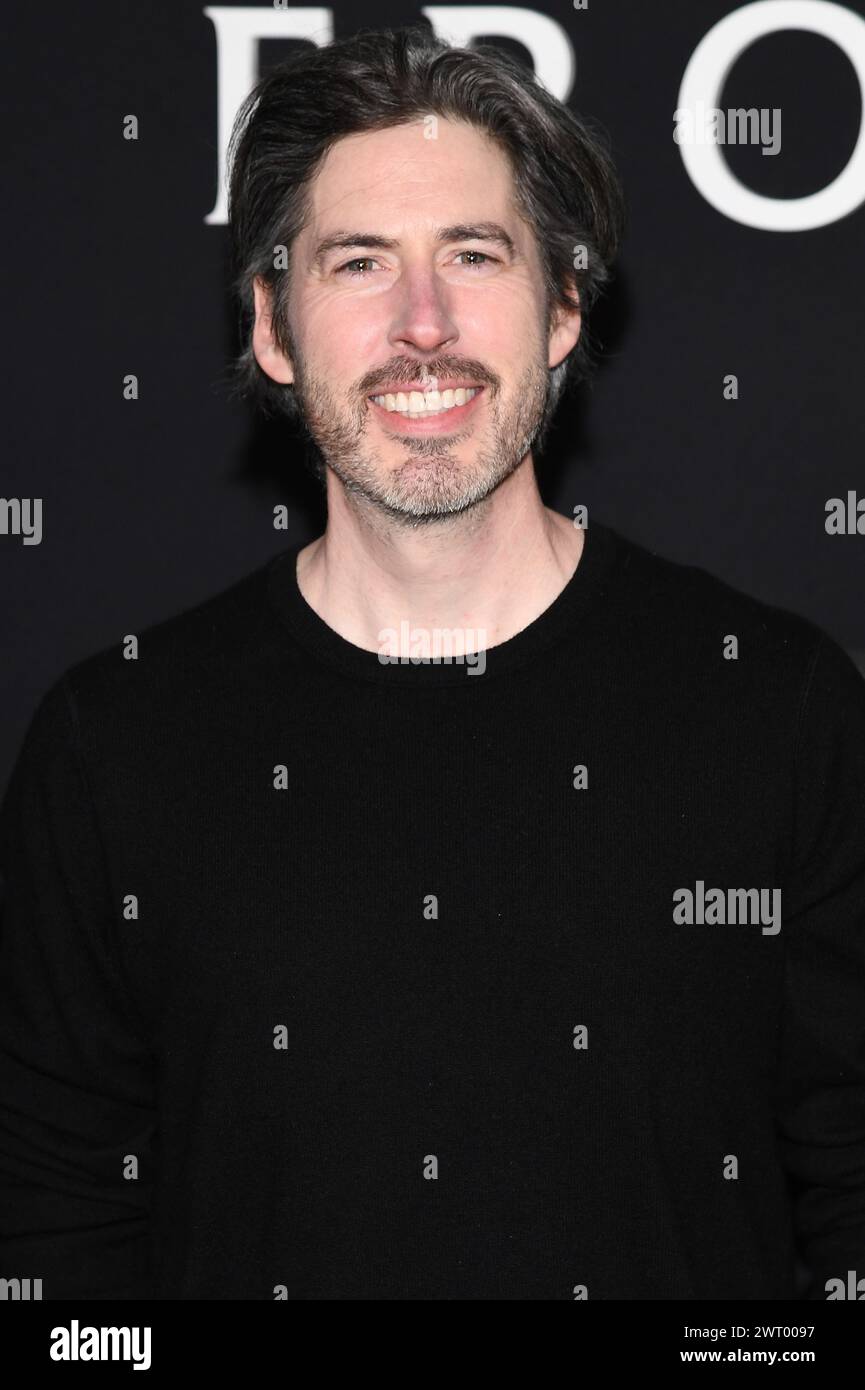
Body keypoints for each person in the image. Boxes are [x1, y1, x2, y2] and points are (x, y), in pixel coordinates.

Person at [1, 26, 863, 1301]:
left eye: (474, 253)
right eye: (359, 263)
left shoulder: (778, 704)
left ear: (564, 305)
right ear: (275, 328)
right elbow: (55, 1245)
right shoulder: (109, 740)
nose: (422, 325)